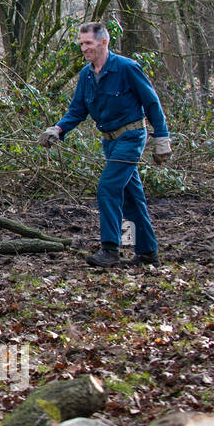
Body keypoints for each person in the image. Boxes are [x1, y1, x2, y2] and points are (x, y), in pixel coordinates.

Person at [38, 22, 171, 268]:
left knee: (107, 188)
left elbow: (151, 103)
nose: (84, 48)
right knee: (132, 197)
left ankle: (110, 249)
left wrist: (161, 138)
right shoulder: (86, 76)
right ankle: (148, 252)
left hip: (131, 138)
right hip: (109, 142)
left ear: (103, 42)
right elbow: (77, 110)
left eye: (88, 43)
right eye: (81, 44)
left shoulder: (127, 68)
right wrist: (57, 129)